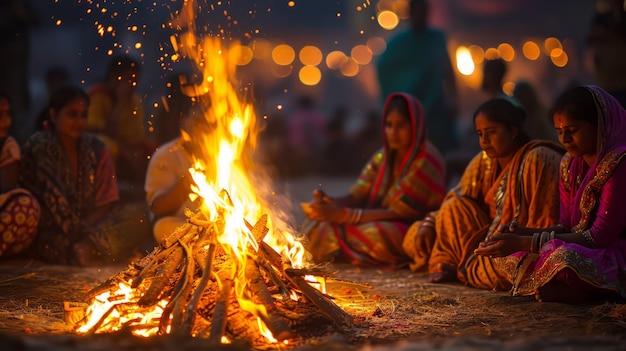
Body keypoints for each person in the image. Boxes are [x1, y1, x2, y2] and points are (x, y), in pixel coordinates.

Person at [474, 86, 626, 303]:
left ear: (600, 125)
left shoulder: (618, 163)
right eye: (559, 131)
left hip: (614, 253)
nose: (565, 138)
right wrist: (523, 232)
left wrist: (525, 242)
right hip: (581, 246)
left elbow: (598, 237)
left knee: (563, 257)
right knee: (511, 258)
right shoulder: (569, 164)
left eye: (572, 129)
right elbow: (565, 226)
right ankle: (569, 288)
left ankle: (588, 295)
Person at [402, 98, 565, 288]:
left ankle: (460, 265)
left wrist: (513, 242)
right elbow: (455, 203)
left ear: (513, 131)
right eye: (479, 134)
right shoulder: (485, 161)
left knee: (517, 265)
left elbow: (543, 225)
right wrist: (430, 223)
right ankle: (454, 262)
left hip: (518, 245)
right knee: (415, 234)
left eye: (491, 133)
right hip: (480, 240)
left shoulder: (538, 159)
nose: (484, 141)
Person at [301, 93, 446, 268]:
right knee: (322, 224)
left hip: (413, 228)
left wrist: (345, 215)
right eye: (389, 125)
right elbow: (356, 195)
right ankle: (347, 250)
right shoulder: (382, 156)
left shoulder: (426, 159)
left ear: (415, 126)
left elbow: (401, 212)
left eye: (401, 125)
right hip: (374, 220)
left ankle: (344, 250)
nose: (393, 132)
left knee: (380, 234)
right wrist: (328, 203)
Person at [19, 86, 151, 266]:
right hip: (51, 231)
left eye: (83, 115)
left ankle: (87, 248)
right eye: (72, 114)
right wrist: (85, 232)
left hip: (89, 227)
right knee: (47, 240)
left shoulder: (97, 148)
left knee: (138, 216)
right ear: (53, 115)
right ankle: (91, 249)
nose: (79, 121)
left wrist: (88, 230)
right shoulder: (40, 147)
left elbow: (106, 203)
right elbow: (54, 206)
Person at [376, 0, 458, 156]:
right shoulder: (398, 42)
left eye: (424, 13)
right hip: (408, 107)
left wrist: (453, 98)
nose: (421, 17)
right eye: (417, 13)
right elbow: (384, 69)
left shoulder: (436, 38)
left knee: (440, 149)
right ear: (410, 15)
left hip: (435, 105)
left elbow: (448, 70)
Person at [86, 55, 157, 198]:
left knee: (159, 152)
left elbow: (135, 137)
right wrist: (119, 102)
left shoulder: (133, 100)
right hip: (102, 148)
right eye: (129, 79)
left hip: (127, 149)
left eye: (135, 80)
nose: (133, 84)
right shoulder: (98, 96)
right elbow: (96, 135)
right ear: (113, 78)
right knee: (107, 146)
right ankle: (109, 189)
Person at [145, 104, 203, 244]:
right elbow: (158, 208)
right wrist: (187, 185)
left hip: (220, 223)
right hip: (184, 225)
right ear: (184, 122)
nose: (202, 127)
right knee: (162, 227)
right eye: (197, 121)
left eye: (206, 122)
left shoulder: (227, 152)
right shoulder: (165, 155)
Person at [0, 92, 40, 257]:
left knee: (26, 204)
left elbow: (6, 192)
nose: (6, 121)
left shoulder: (7, 147)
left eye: (7, 114)